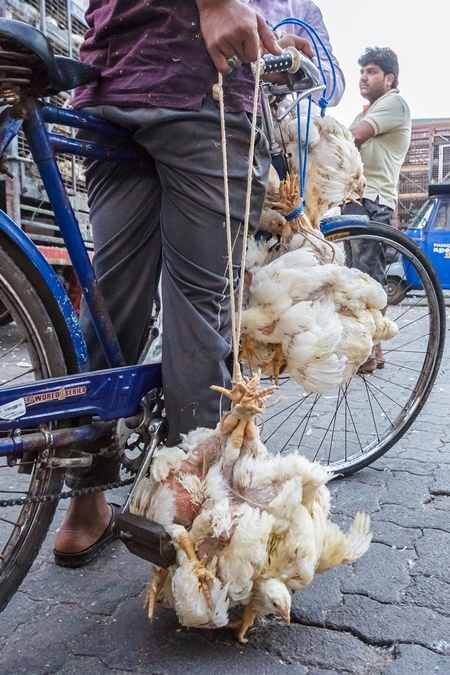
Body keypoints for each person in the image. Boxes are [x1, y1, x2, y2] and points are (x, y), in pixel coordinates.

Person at [53, 0, 314, 567]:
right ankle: (198, 537)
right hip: (194, 80)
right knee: (199, 311)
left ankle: (85, 506)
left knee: (110, 305)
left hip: (112, 78)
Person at [342, 47, 411, 373]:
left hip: (373, 202)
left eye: (370, 71)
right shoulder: (367, 111)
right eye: (361, 72)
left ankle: (368, 354)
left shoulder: (392, 104)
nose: (363, 78)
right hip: (356, 201)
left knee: (367, 280)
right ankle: (372, 353)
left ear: (389, 77)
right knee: (358, 279)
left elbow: (353, 137)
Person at [241, 0, 345, 106]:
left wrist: (290, 59)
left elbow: (333, 86)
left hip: (268, 115)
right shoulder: (225, 5)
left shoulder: (304, 8)